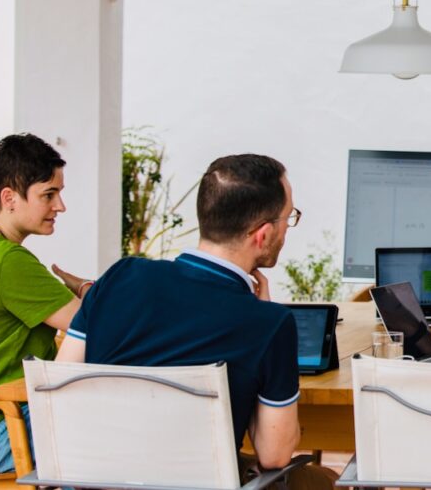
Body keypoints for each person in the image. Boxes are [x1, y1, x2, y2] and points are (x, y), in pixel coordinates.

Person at [57, 154, 325, 486]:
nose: (288, 227)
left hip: (101, 480)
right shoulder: (270, 323)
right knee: (320, 479)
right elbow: (274, 456)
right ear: (263, 234)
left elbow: (62, 383)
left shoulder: (119, 277)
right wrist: (266, 321)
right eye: (289, 218)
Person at [0, 133, 92, 474]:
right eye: (48, 195)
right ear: (8, 197)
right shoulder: (6, 261)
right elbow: (92, 325)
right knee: (115, 424)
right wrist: (87, 290)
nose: (60, 206)